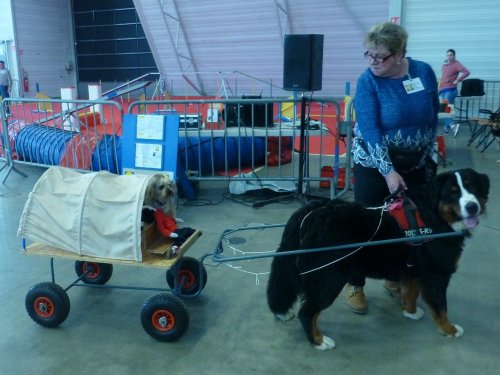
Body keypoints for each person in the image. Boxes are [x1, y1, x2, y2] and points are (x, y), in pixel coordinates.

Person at [346, 22, 439, 314]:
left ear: (399, 54)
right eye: (369, 55)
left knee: (408, 226)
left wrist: (427, 158)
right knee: (366, 224)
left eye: (380, 56)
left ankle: (393, 278)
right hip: (374, 163)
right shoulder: (368, 81)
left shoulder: (423, 72)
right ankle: (356, 284)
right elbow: (370, 129)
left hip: (415, 163)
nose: (373, 62)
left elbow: (432, 116)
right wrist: (388, 172)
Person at [439, 49, 470, 134]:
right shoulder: (445, 64)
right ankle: (447, 126)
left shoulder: (456, 64)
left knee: (446, 108)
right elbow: (444, 76)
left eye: (451, 55)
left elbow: (466, 72)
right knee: (446, 109)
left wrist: (458, 80)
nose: (449, 57)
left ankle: (452, 125)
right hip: (443, 89)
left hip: (451, 89)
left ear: (454, 56)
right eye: (448, 55)